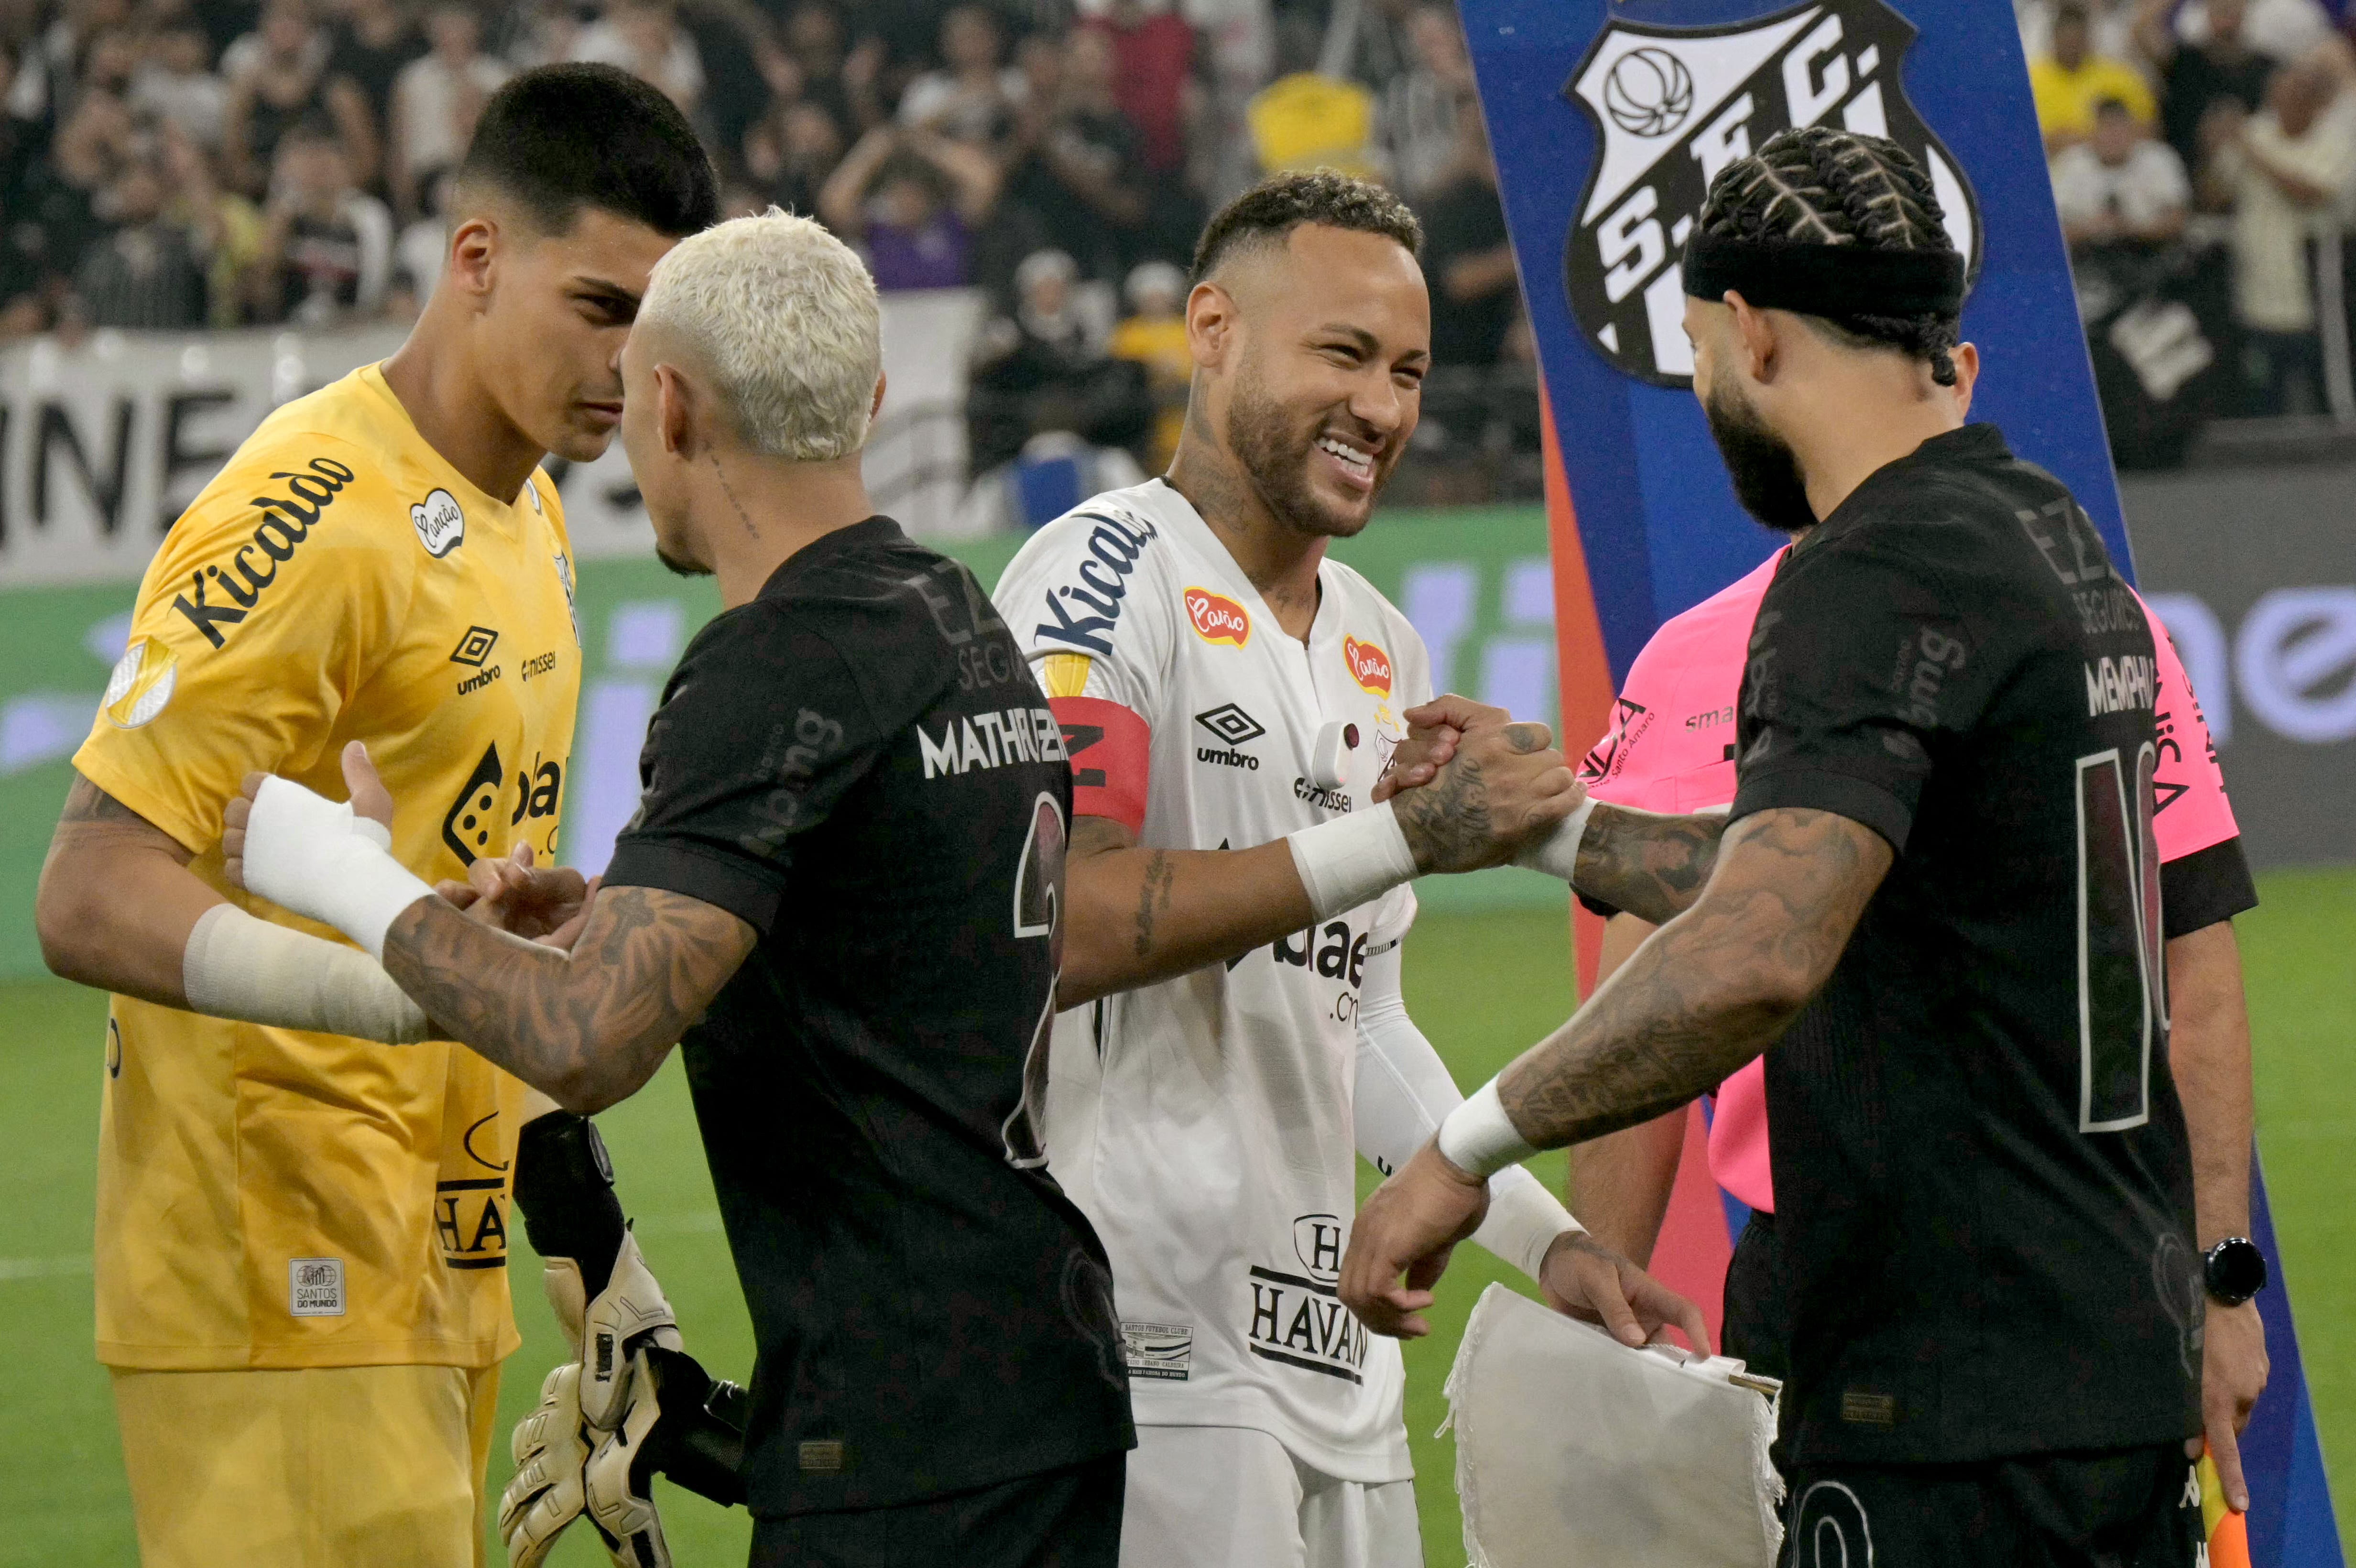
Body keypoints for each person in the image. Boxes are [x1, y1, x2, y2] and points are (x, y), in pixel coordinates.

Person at [1343, 127, 2216, 1563]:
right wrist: (1553, 831)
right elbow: (1830, 882)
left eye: (1692, 348)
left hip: (1947, 1411)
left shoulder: (1859, 575)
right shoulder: (2043, 537)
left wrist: (1457, 1152)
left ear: (1748, 332)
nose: (1700, 388)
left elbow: (1754, 953)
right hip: (2098, 1371)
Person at [223, 207, 1138, 1568]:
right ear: (869, 401)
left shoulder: (772, 664)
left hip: (906, 1439)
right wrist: (619, 912)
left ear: (669, 402)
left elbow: (590, 1042)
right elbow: (883, 919)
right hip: (1035, 1380)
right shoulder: (952, 612)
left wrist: (350, 881)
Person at [32, 65, 718, 1568]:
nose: (628, 364)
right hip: (274, 1268)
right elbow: (87, 888)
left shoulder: (529, 516)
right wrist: (392, 989)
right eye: (598, 306)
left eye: (653, 330)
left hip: (429, 1258)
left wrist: (588, 1248)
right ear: (476, 258)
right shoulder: (311, 506)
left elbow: (473, 946)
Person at [992, 171, 1705, 1568]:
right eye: (1341, 352)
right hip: (1152, 1349)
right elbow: (1063, 921)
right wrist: (1404, 836)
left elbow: (1356, 1012)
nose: (1381, 405)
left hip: (1338, 1364)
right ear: (1212, 329)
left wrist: (1543, 1238)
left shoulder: (1382, 641)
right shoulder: (1099, 574)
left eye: (1408, 370)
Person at [1553, 549, 2268, 1503]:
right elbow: (1640, 1017)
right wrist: (1602, 1316)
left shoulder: (2097, 626)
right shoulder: (1689, 656)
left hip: (2080, 1261)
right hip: (1816, 1281)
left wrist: (2221, 1284)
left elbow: (2191, 968)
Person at [2050, 97, 2193, 251]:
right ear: (2093, 132)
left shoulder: (2158, 158)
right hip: (2086, 257)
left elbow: (2179, 219)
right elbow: (2050, 229)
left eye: (2120, 130)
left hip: (2151, 253)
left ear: (2133, 130)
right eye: (2107, 129)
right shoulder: (2071, 162)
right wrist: (2091, 229)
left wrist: (2131, 229)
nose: (2114, 137)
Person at [2029, 0, 2159, 152]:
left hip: (2108, 165)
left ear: (2088, 39)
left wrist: (2088, 139)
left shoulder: (2118, 77)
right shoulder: (2032, 80)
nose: (2072, 46)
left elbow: (2149, 130)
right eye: (2066, 40)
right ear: (2054, 39)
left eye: (2076, 39)